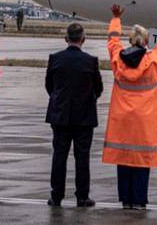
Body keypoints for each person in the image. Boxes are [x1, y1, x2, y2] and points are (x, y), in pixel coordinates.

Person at [102, 3, 157, 210]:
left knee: (124, 161)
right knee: (142, 163)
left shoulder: (118, 59)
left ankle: (126, 201)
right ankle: (140, 201)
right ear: (145, 43)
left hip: (122, 120)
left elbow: (112, 40)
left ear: (130, 41)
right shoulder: (153, 60)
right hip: (145, 120)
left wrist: (116, 18)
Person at [45, 23, 103, 208]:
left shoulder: (55, 59)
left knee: (59, 156)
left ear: (66, 39)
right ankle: (82, 197)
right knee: (82, 158)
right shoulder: (90, 61)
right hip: (84, 117)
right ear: (83, 39)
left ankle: (56, 196)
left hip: (60, 116)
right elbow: (98, 88)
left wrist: (59, 101)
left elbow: (49, 86)